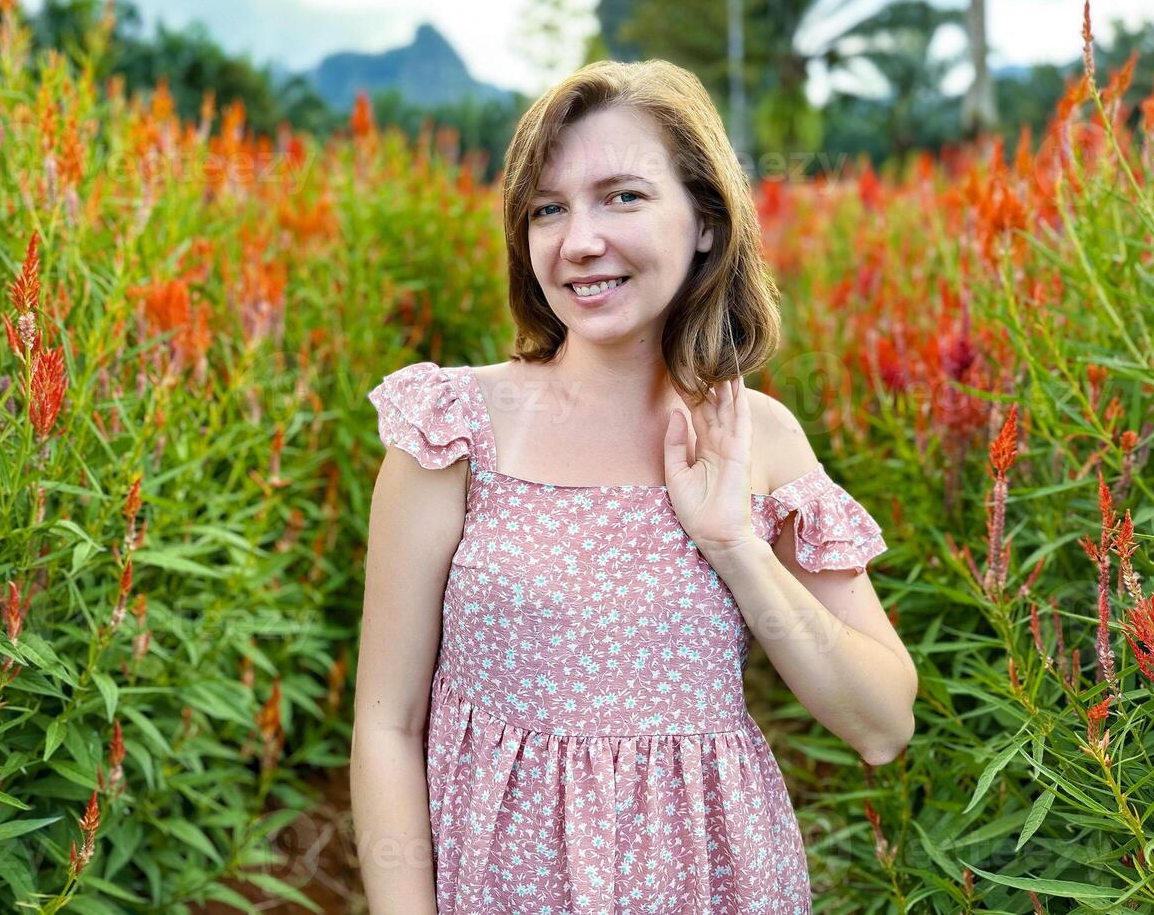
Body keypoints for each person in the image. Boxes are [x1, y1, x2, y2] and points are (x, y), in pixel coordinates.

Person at [351, 59, 917, 914]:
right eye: (548, 208)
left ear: (703, 221)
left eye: (622, 196)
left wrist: (732, 544)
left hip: (714, 884)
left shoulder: (758, 441)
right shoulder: (451, 428)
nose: (579, 240)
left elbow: (880, 726)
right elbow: (386, 728)